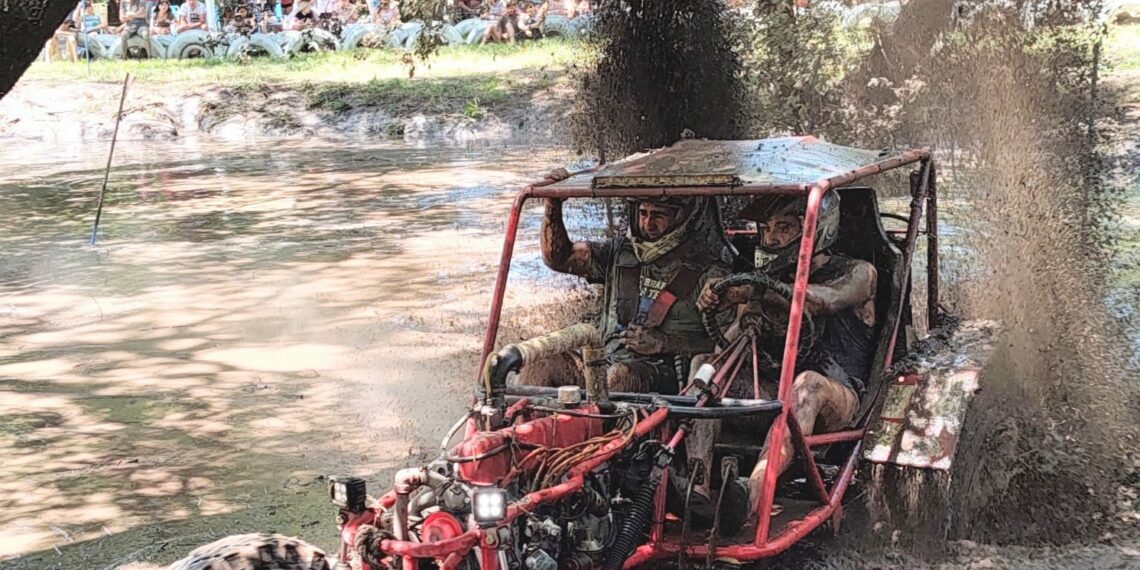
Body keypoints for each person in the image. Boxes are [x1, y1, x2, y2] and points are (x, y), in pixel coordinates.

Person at [697, 190, 875, 519]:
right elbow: (729, 345)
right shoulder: (766, 280)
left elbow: (825, 300)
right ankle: (697, 490)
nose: (772, 239)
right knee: (704, 367)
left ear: (817, 228)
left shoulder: (859, 272)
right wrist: (719, 299)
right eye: (766, 229)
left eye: (784, 228)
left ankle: (751, 494)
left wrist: (759, 291)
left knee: (807, 385)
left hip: (838, 397)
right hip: (775, 393)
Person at [527, 168, 733, 394]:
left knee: (621, 376)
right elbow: (559, 259)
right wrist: (553, 207)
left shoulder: (710, 271)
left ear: (681, 218)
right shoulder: (619, 253)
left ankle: (603, 428)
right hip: (604, 362)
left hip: (665, 375)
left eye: (659, 215)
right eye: (643, 213)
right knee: (539, 358)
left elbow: (725, 348)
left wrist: (665, 342)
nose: (648, 224)